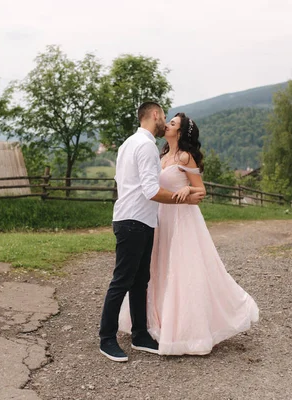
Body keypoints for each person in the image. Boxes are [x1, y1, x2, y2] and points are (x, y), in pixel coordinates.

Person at [118, 112, 259, 355]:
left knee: (182, 271)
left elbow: (200, 191)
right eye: (168, 121)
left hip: (181, 219)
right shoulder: (161, 155)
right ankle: (154, 323)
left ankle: (186, 331)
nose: (167, 124)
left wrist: (186, 188)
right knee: (157, 269)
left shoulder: (186, 156)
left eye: (172, 123)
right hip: (159, 217)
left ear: (180, 133)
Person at [99, 103, 204, 362]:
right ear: (155, 115)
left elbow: (122, 181)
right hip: (133, 220)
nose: (165, 122)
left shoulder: (128, 143)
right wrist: (183, 199)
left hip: (141, 219)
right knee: (122, 280)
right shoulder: (146, 145)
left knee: (139, 281)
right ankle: (107, 339)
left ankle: (140, 335)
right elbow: (150, 190)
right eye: (164, 117)